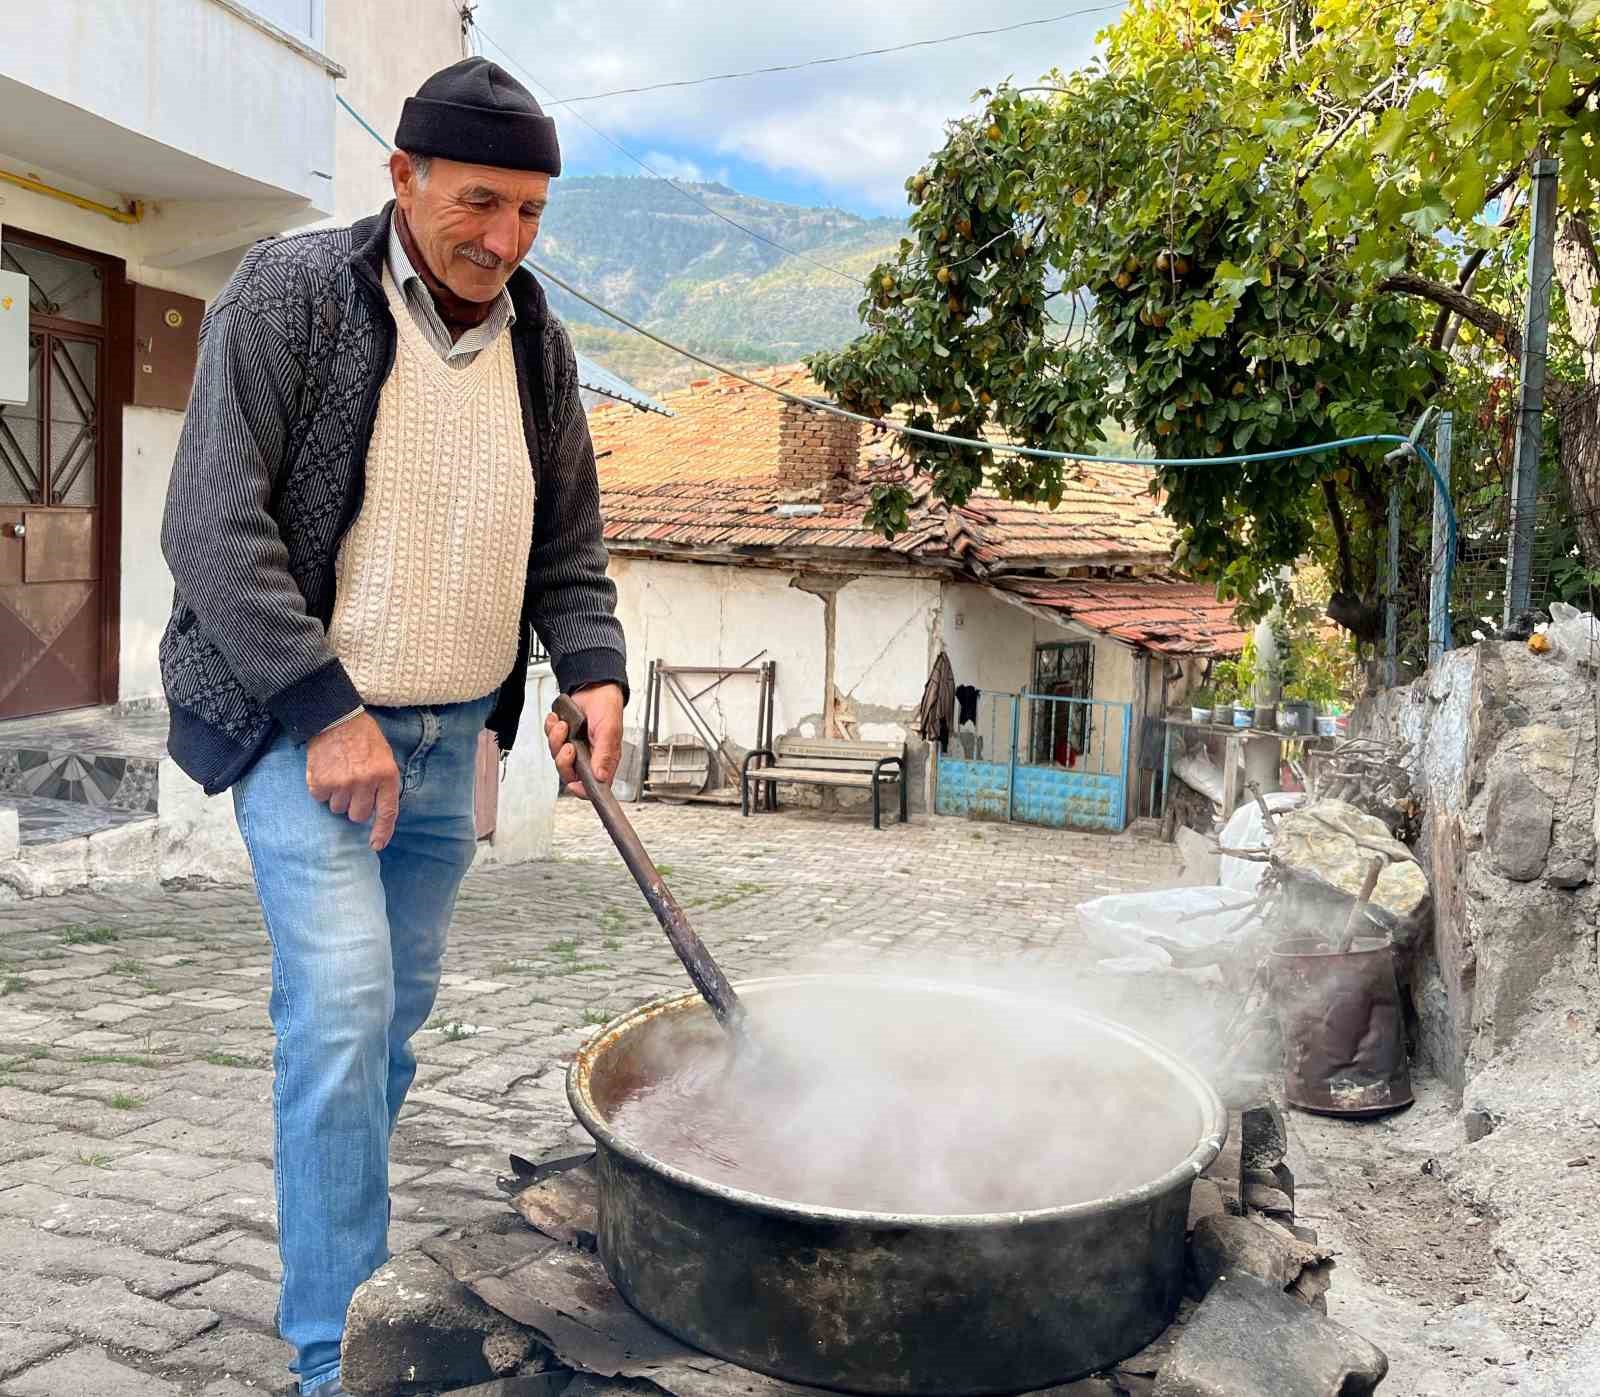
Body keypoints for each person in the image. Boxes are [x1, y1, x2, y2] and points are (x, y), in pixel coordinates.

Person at [159, 58, 626, 1396]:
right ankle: (335, 1360)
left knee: (391, 1029)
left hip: (442, 753)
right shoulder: (293, 293)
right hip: (310, 738)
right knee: (344, 1009)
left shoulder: (538, 341)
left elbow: (571, 547)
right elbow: (210, 524)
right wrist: (325, 707)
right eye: (482, 202)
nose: (506, 240)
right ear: (402, 178)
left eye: (533, 212)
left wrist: (592, 666)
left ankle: (348, 1273)